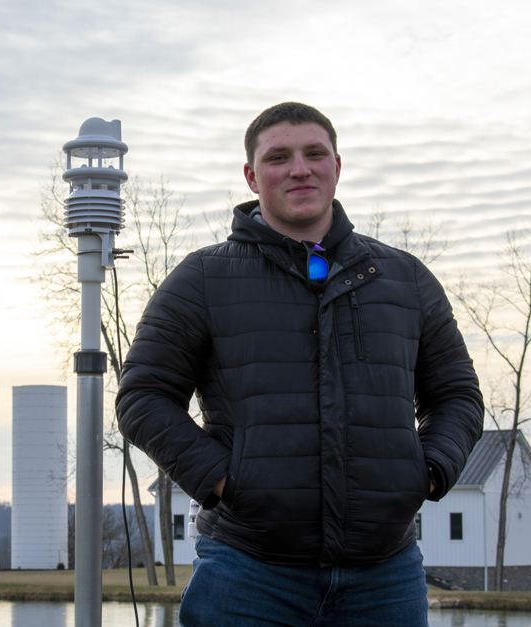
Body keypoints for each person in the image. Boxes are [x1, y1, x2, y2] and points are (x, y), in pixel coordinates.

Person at [116, 102, 484, 626]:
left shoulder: (406, 279)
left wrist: (423, 473)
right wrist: (226, 481)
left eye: (315, 153)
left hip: (386, 576)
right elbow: (142, 398)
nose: (299, 168)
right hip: (248, 572)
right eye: (278, 157)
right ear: (251, 174)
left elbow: (457, 396)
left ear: (337, 165)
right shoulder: (202, 279)